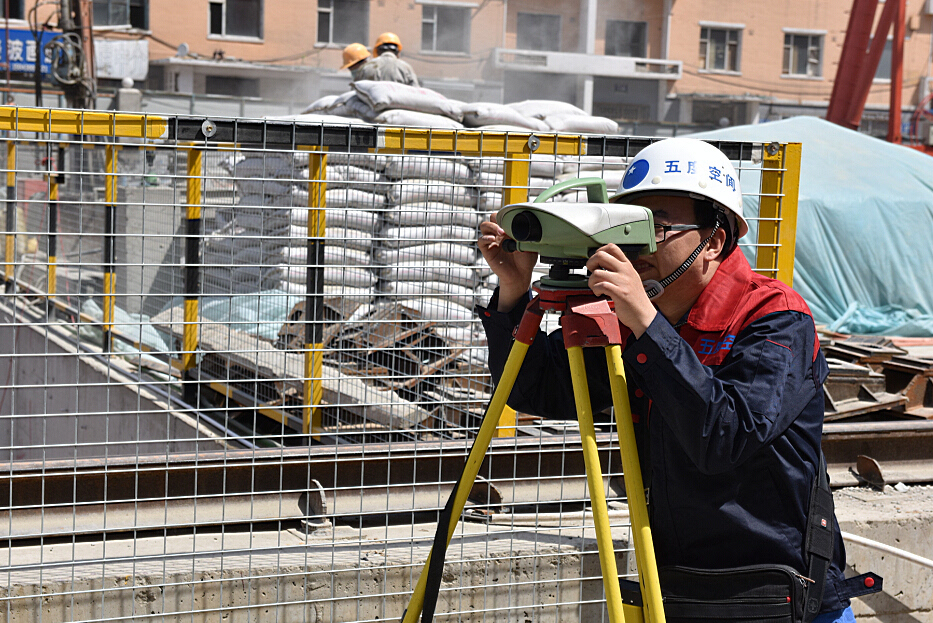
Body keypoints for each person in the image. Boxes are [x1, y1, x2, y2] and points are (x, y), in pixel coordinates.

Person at [476, 137, 865, 622]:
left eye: (655, 228)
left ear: (715, 240)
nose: (637, 244)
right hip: (678, 590)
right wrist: (512, 294)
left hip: (779, 596)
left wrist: (646, 324)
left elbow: (725, 436)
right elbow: (533, 388)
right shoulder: (633, 320)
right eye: (629, 224)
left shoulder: (775, 318)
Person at [354, 32, 419, 87]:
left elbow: (355, 91)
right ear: (398, 52)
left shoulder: (366, 67)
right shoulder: (406, 68)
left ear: (377, 51)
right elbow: (416, 92)